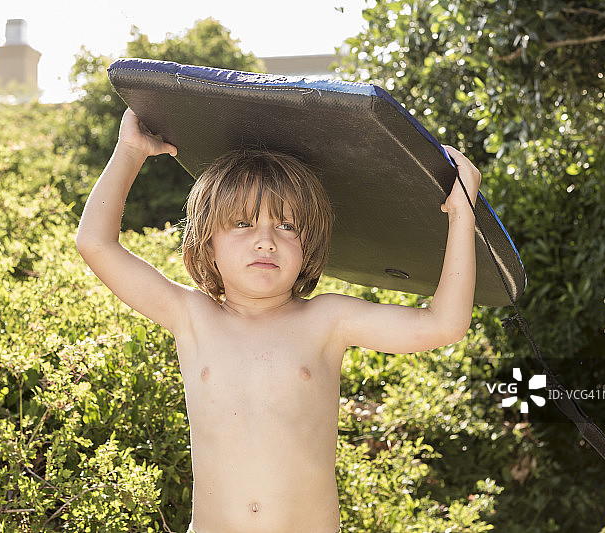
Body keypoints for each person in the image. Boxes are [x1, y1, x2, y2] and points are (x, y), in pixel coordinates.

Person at [76, 108, 481, 533]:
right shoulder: (190, 315)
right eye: (242, 224)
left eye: (287, 226)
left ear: (310, 245)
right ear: (207, 242)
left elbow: (443, 324)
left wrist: (461, 213)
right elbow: (95, 243)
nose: (266, 241)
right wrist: (130, 151)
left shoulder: (328, 320)